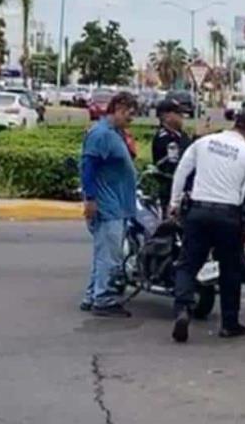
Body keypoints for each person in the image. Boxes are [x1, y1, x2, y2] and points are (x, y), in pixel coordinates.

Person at [169, 112, 245, 343]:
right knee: (230, 270)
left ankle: (182, 309)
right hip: (228, 216)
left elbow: (182, 170)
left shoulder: (203, 142)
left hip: (198, 212)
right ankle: (229, 324)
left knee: (187, 265)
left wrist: (173, 202)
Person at [79, 92, 139, 318]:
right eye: (129, 114)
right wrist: (91, 199)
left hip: (116, 203)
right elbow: (88, 167)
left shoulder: (114, 133)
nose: (131, 119)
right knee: (110, 254)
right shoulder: (101, 134)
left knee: (103, 253)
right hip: (107, 205)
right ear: (119, 109)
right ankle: (104, 299)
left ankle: (93, 295)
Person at [151, 99, 192, 212]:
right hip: (171, 188)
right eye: (178, 113)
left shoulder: (181, 135)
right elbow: (173, 164)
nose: (182, 116)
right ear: (166, 116)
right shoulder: (165, 138)